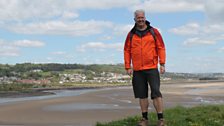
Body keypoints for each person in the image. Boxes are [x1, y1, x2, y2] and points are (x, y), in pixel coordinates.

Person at [123, 9, 166, 126]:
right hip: (137, 70)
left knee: (156, 93)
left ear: (145, 18)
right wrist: (128, 66)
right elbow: (127, 50)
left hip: (151, 68)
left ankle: (161, 119)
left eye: (142, 17)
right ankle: (144, 119)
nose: (140, 19)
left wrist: (162, 63)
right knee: (142, 95)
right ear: (135, 19)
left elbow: (161, 47)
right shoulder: (131, 34)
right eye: (138, 18)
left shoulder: (154, 32)